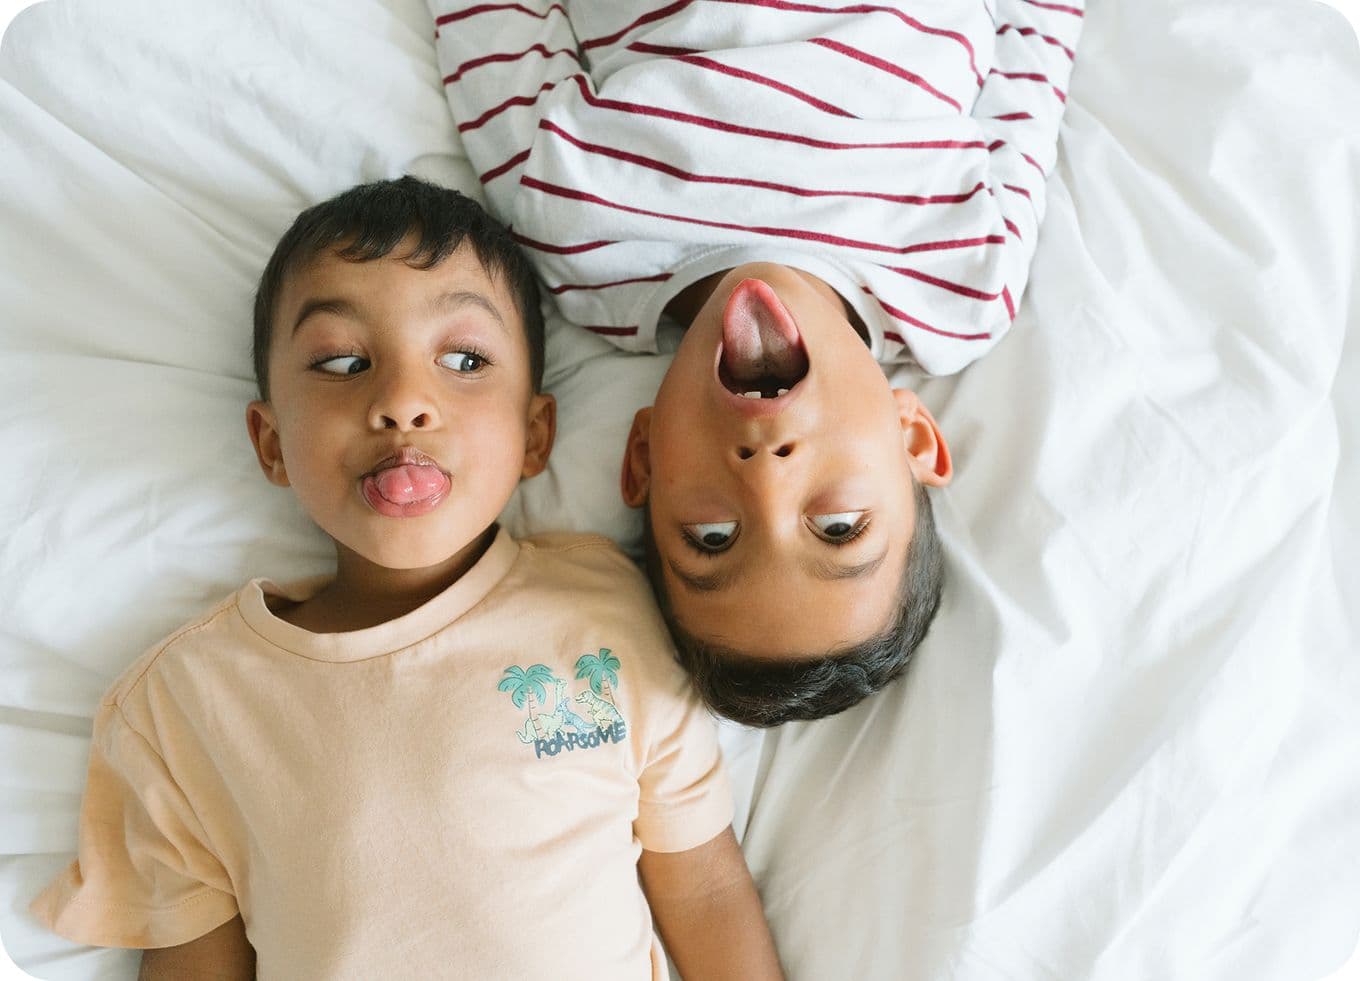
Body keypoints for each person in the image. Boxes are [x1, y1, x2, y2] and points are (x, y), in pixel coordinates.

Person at [29, 177, 783, 979]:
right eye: (344, 361)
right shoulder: (185, 705)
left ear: (535, 436)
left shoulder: (605, 608)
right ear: (272, 442)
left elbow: (702, 886)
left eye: (463, 359)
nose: (402, 401)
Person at [429, 0, 1083, 724]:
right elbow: (1035, 44)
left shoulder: (575, 235)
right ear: (915, 439)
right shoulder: (964, 282)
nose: (766, 471)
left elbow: (487, 19)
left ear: (642, 457)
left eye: (714, 538)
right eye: (839, 526)